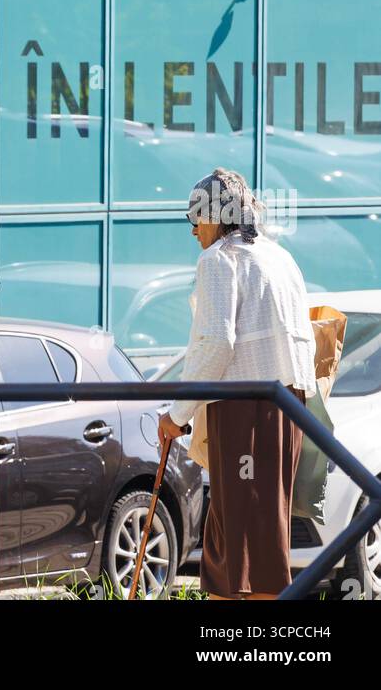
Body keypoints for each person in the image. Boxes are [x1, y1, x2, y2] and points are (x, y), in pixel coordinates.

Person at [157, 168, 316, 600]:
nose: (193, 231)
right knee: (258, 532)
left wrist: (176, 416)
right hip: (289, 405)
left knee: (241, 540)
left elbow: (216, 345)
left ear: (215, 216)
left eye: (196, 220)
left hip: (245, 407)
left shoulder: (219, 260)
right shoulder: (280, 257)